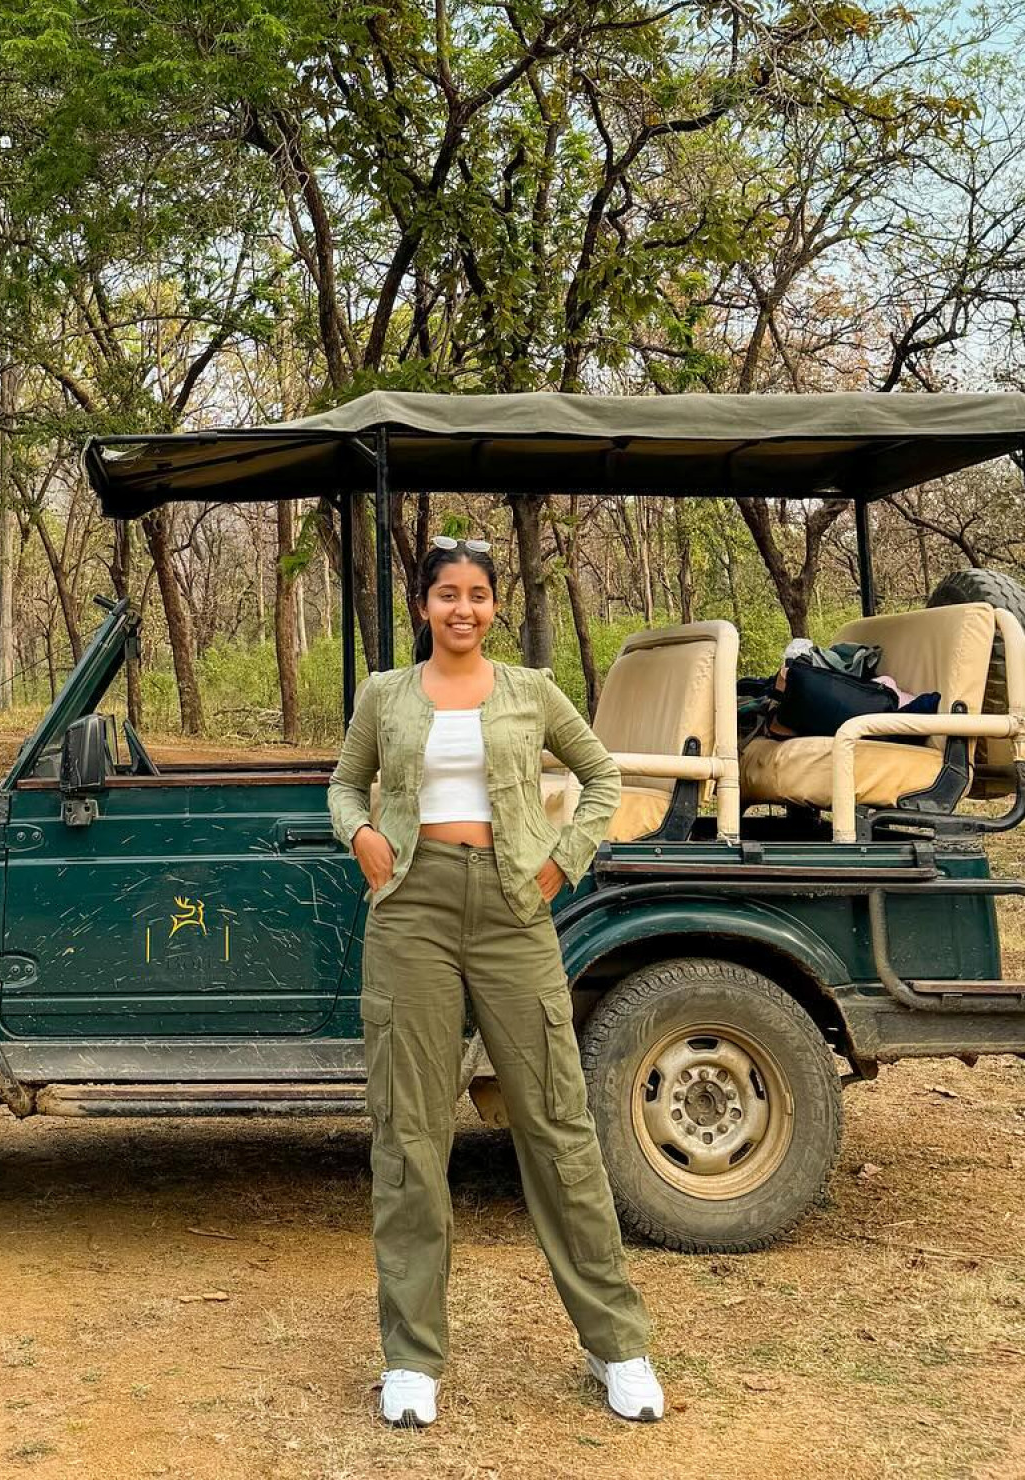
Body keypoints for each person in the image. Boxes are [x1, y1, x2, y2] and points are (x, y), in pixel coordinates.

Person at [327, 536, 663, 1430]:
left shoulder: (530, 691)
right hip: (412, 910)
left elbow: (601, 776)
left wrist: (562, 865)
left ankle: (615, 1343)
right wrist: (359, 834)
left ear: (493, 605)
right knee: (409, 1132)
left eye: (477, 594)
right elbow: (344, 784)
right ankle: (411, 1359)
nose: (463, 609)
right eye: (447, 595)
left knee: (557, 1123)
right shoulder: (385, 695)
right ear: (424, 606)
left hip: (515, 906)